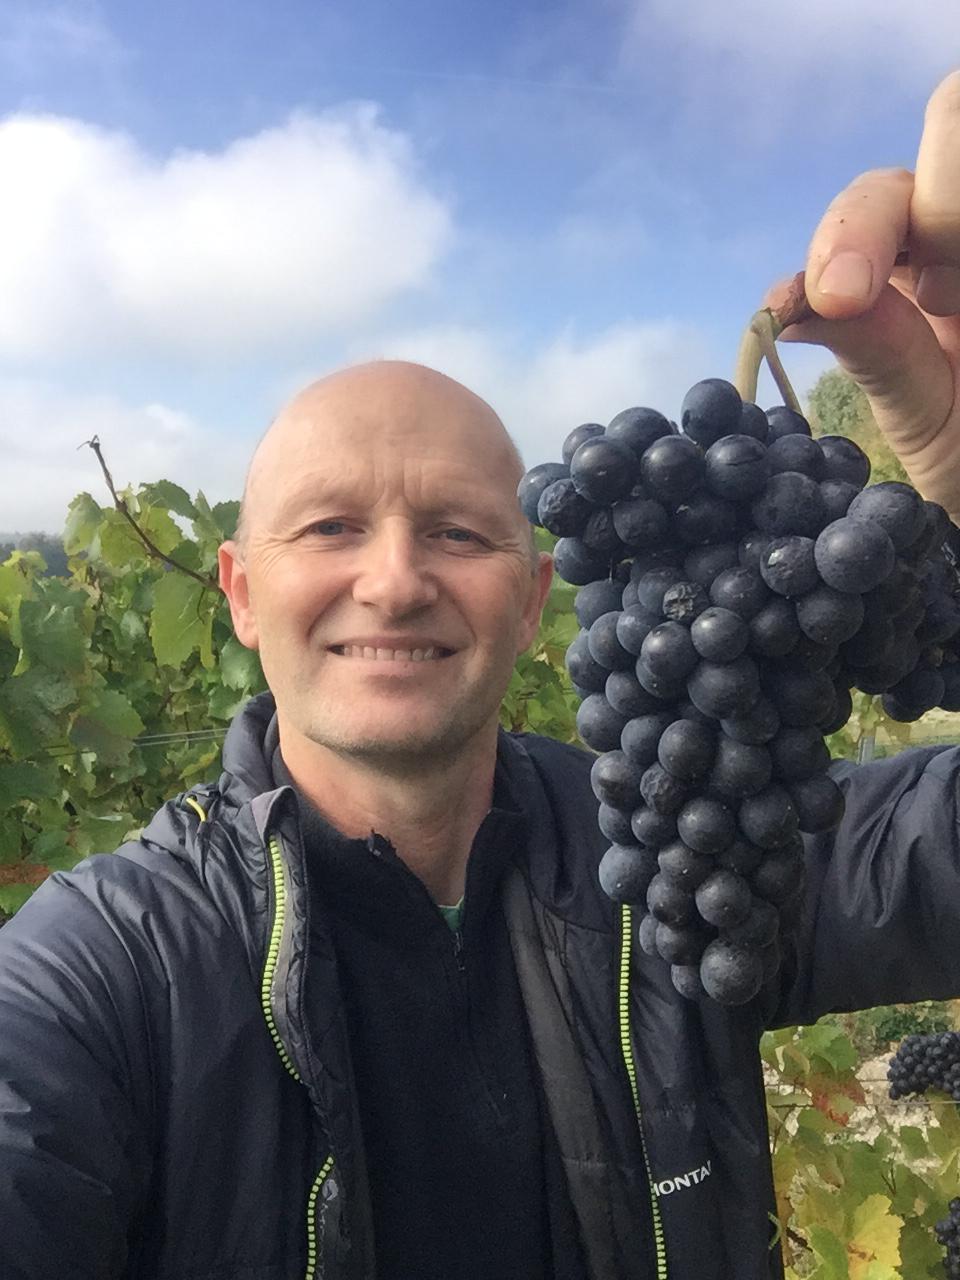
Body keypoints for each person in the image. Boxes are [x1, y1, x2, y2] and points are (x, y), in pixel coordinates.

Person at [3, 70, 960, 1280]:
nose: (396, 581)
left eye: (459, 532)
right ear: (241, 594)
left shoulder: (692, 851)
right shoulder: (106, 969)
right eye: (331, 528)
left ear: (531, 597)